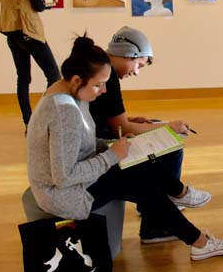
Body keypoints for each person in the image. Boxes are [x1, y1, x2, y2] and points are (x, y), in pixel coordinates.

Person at [27, 34, 223, 260]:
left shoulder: (67, 93)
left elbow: (81, 145)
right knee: (143, 185)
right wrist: (111, 156)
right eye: (99, 85)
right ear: (77, 80)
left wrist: (113, 146)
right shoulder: (64, 111)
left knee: (141, 167)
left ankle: (185, 212)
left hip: (74, 183)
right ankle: (197, 237)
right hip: (65, 195)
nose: (104, 91)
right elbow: (64, 176)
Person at [88, 26, 209, 235]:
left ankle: (163, 201)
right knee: (170, 144)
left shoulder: (102, 68)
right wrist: (168, 125)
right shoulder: (110, 78)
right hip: (97, 146)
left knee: (154, 127)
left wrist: (133, 120)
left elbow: (111, 118)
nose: (136, 72)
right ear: (128, 54)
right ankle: (157, 221)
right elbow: (122, 128)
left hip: (97, 136)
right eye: (138, 65)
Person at [0, 0, 61, 130]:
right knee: (54, 75)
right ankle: (47, 119)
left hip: (10, 31)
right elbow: (37, 5)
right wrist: (44, 1)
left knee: (23, 78)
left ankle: (28, 121)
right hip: (28, 30)